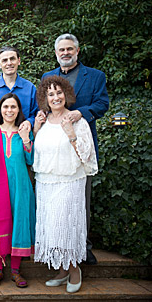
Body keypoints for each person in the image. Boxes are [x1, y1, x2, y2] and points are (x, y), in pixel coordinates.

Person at [41, 34, 109, 265]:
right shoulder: (48, 77)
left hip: (78, 144)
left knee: (81, 201)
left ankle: (82, 247)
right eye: (61, 50)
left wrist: (82, 112)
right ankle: (58, 248)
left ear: (77, 51)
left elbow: (102, 104)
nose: (65, 53)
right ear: (56, 52)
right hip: (52, 147)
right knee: (55, 205)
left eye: (70, 49)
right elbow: (43, 105)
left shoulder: (95, 76)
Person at [33, 76, 98, 293]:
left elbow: (86, 155)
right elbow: (36, 152)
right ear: (44, 98)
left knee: (66, 225)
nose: (55, 97)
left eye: (59, 92)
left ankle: (74, 269)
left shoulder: (78, 121)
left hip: (70, 181)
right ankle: (61, 270)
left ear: (66, 94)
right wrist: (34, 129)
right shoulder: (42, 121)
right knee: (52, 227)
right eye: (50, 94)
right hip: (46, 182)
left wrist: (71, 134)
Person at [0, 93, 35, 288]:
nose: (9, 111)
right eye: (6, 107)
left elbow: (30, 161)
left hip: (20, 187)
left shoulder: (23, 132)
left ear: (19, 110)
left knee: (18, 223)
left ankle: (15, 271)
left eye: (13, 107)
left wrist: (27, 139)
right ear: (0, 110)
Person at [0, 46, 38, 132]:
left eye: (12, 59)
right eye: (4, 60)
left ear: (19, 61)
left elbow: (35, 113)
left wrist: (29, 122)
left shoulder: (30, 88)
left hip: (21, 137)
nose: (9, 63)